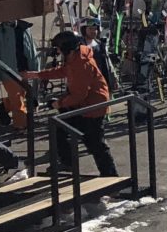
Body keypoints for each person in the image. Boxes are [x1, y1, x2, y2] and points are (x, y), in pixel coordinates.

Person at [26, 30, 118, 177]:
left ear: (66, 48)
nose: (57, 52)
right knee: (61, 128)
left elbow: (79, 95)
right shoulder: (74, 58)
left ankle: (111, 177)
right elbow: (64, 71)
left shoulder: (81, 63)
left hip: (92, 108)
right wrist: (39, 75)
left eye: (59, 49)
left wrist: (59, 103)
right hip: (84, 105)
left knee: (94, 143)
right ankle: (68, 163)